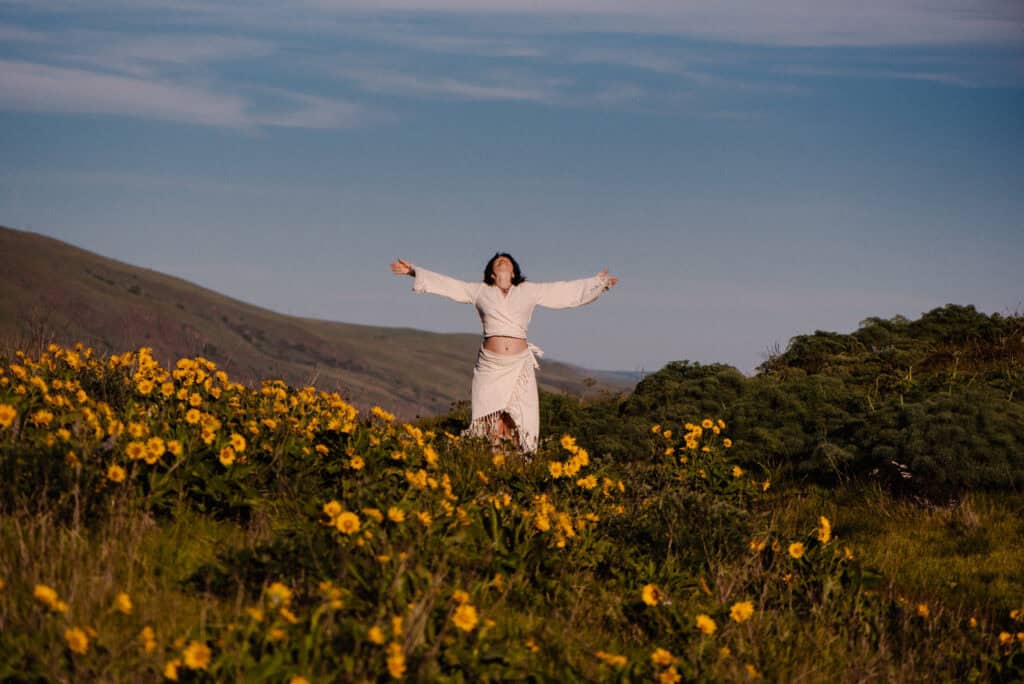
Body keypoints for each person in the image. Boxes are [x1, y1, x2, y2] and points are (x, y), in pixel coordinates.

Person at [390, 253, 617, 452]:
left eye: (507, 260)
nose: (503, 259)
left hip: (520, 366)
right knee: (491, 421)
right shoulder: (479, 291)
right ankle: (490, 464)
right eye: (498, 260)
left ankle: (517, 465)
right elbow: (450, 285)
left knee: (518, 421)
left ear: (514, 271)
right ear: (491, 273)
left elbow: (561, 290)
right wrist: (414, 271)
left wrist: (598, 283)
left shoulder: (528, 290)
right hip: (490, 366)